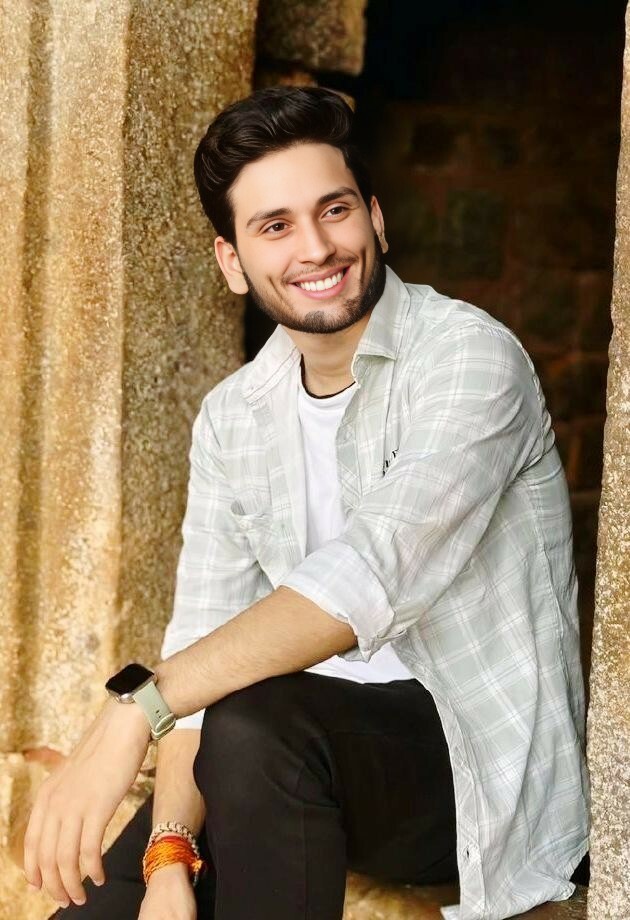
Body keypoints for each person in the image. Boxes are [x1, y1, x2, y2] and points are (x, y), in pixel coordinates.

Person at [24, 86, 589, 920]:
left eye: (335, 210)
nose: (317, 247)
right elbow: (202, 641)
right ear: (232, 262)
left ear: (376, 219)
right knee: (107, 905)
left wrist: (134, 710)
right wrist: (170, 851)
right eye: (276, 226)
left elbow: (367, 578)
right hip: (281, 761)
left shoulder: (470, 359)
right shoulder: (233, 417)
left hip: (468, 775)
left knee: (256, 718)